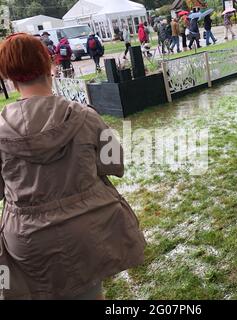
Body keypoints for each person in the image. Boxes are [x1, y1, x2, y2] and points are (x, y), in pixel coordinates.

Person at [0, 33, 146, 300]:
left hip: (28, 242)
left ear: (9, 75)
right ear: (49, 63)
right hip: (87, 233)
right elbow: (114, 161)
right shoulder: (85, 116)